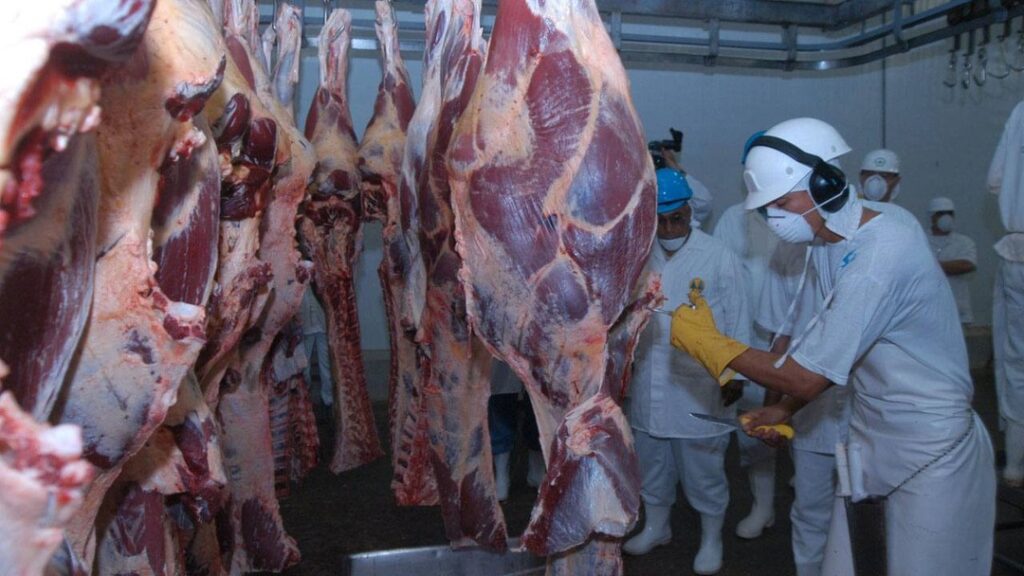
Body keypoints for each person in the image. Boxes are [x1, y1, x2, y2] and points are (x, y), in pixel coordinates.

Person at [671, 118, 995, 576]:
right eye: (767, 209)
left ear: (825, 184)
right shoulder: (826, 244)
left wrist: (711, 344)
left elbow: (806, 375)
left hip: (931, 446)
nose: (774, 219)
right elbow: (825, 352)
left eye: (781, 203)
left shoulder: (880, 254)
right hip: (871, 434)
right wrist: (785, 410)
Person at [625, 167, 751, 575]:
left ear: (690, 212)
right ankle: (657, 526)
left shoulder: (718, 256)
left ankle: (711, 538)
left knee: (703, 470)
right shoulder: (640, 254)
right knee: (651, 463)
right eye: (659, 220)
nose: (668, 228)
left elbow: (739, 319)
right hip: (649, 378)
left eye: (676, 218)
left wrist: (735, 375)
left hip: (700, 383)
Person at [711, 133, 779, 541]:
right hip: (750, 344)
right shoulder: (733, 219)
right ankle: (763, 505)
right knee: (756, 430)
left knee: (808, 434)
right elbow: (721, 287)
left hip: (799, 345)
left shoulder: (799, 216)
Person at [988, 101, 1024, 487]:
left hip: (1019, 254)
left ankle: (1015, 464)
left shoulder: (1019, 111)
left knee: (1017, 363)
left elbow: (995, 180)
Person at [488, 361, 544, 501]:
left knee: (538, 405)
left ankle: (537, 471)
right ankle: (501, 476)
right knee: (501, 400)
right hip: (502, 361)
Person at [926, 197, 977, 326]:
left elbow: (967, 265)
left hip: (958, 310)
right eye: (941, 213)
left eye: (950, 213)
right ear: (932, 217)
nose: (946, 217)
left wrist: (929, 267)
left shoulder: (965, 242)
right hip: (928, 311)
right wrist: (949, 266)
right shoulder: (920, 240)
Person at [300, 284, 333, 408]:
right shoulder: (300, 278)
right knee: (304, 366)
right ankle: (305, 398)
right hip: (305, 326)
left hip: (322, 324)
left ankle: (328, 399)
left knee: (326, 365)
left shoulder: (320, 278)